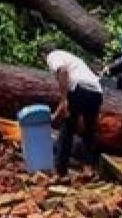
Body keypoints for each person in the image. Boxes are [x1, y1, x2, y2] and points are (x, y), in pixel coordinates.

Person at [40, 43, 103, 175]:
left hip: (80, 89)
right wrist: (56, 114)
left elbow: (63, 72)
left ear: (43, 55)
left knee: (68, 127)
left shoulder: (53, 56)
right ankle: (88, 167)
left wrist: (63, 101)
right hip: (96, 92)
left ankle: (60, 169)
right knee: (89, 129)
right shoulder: (69, 57)